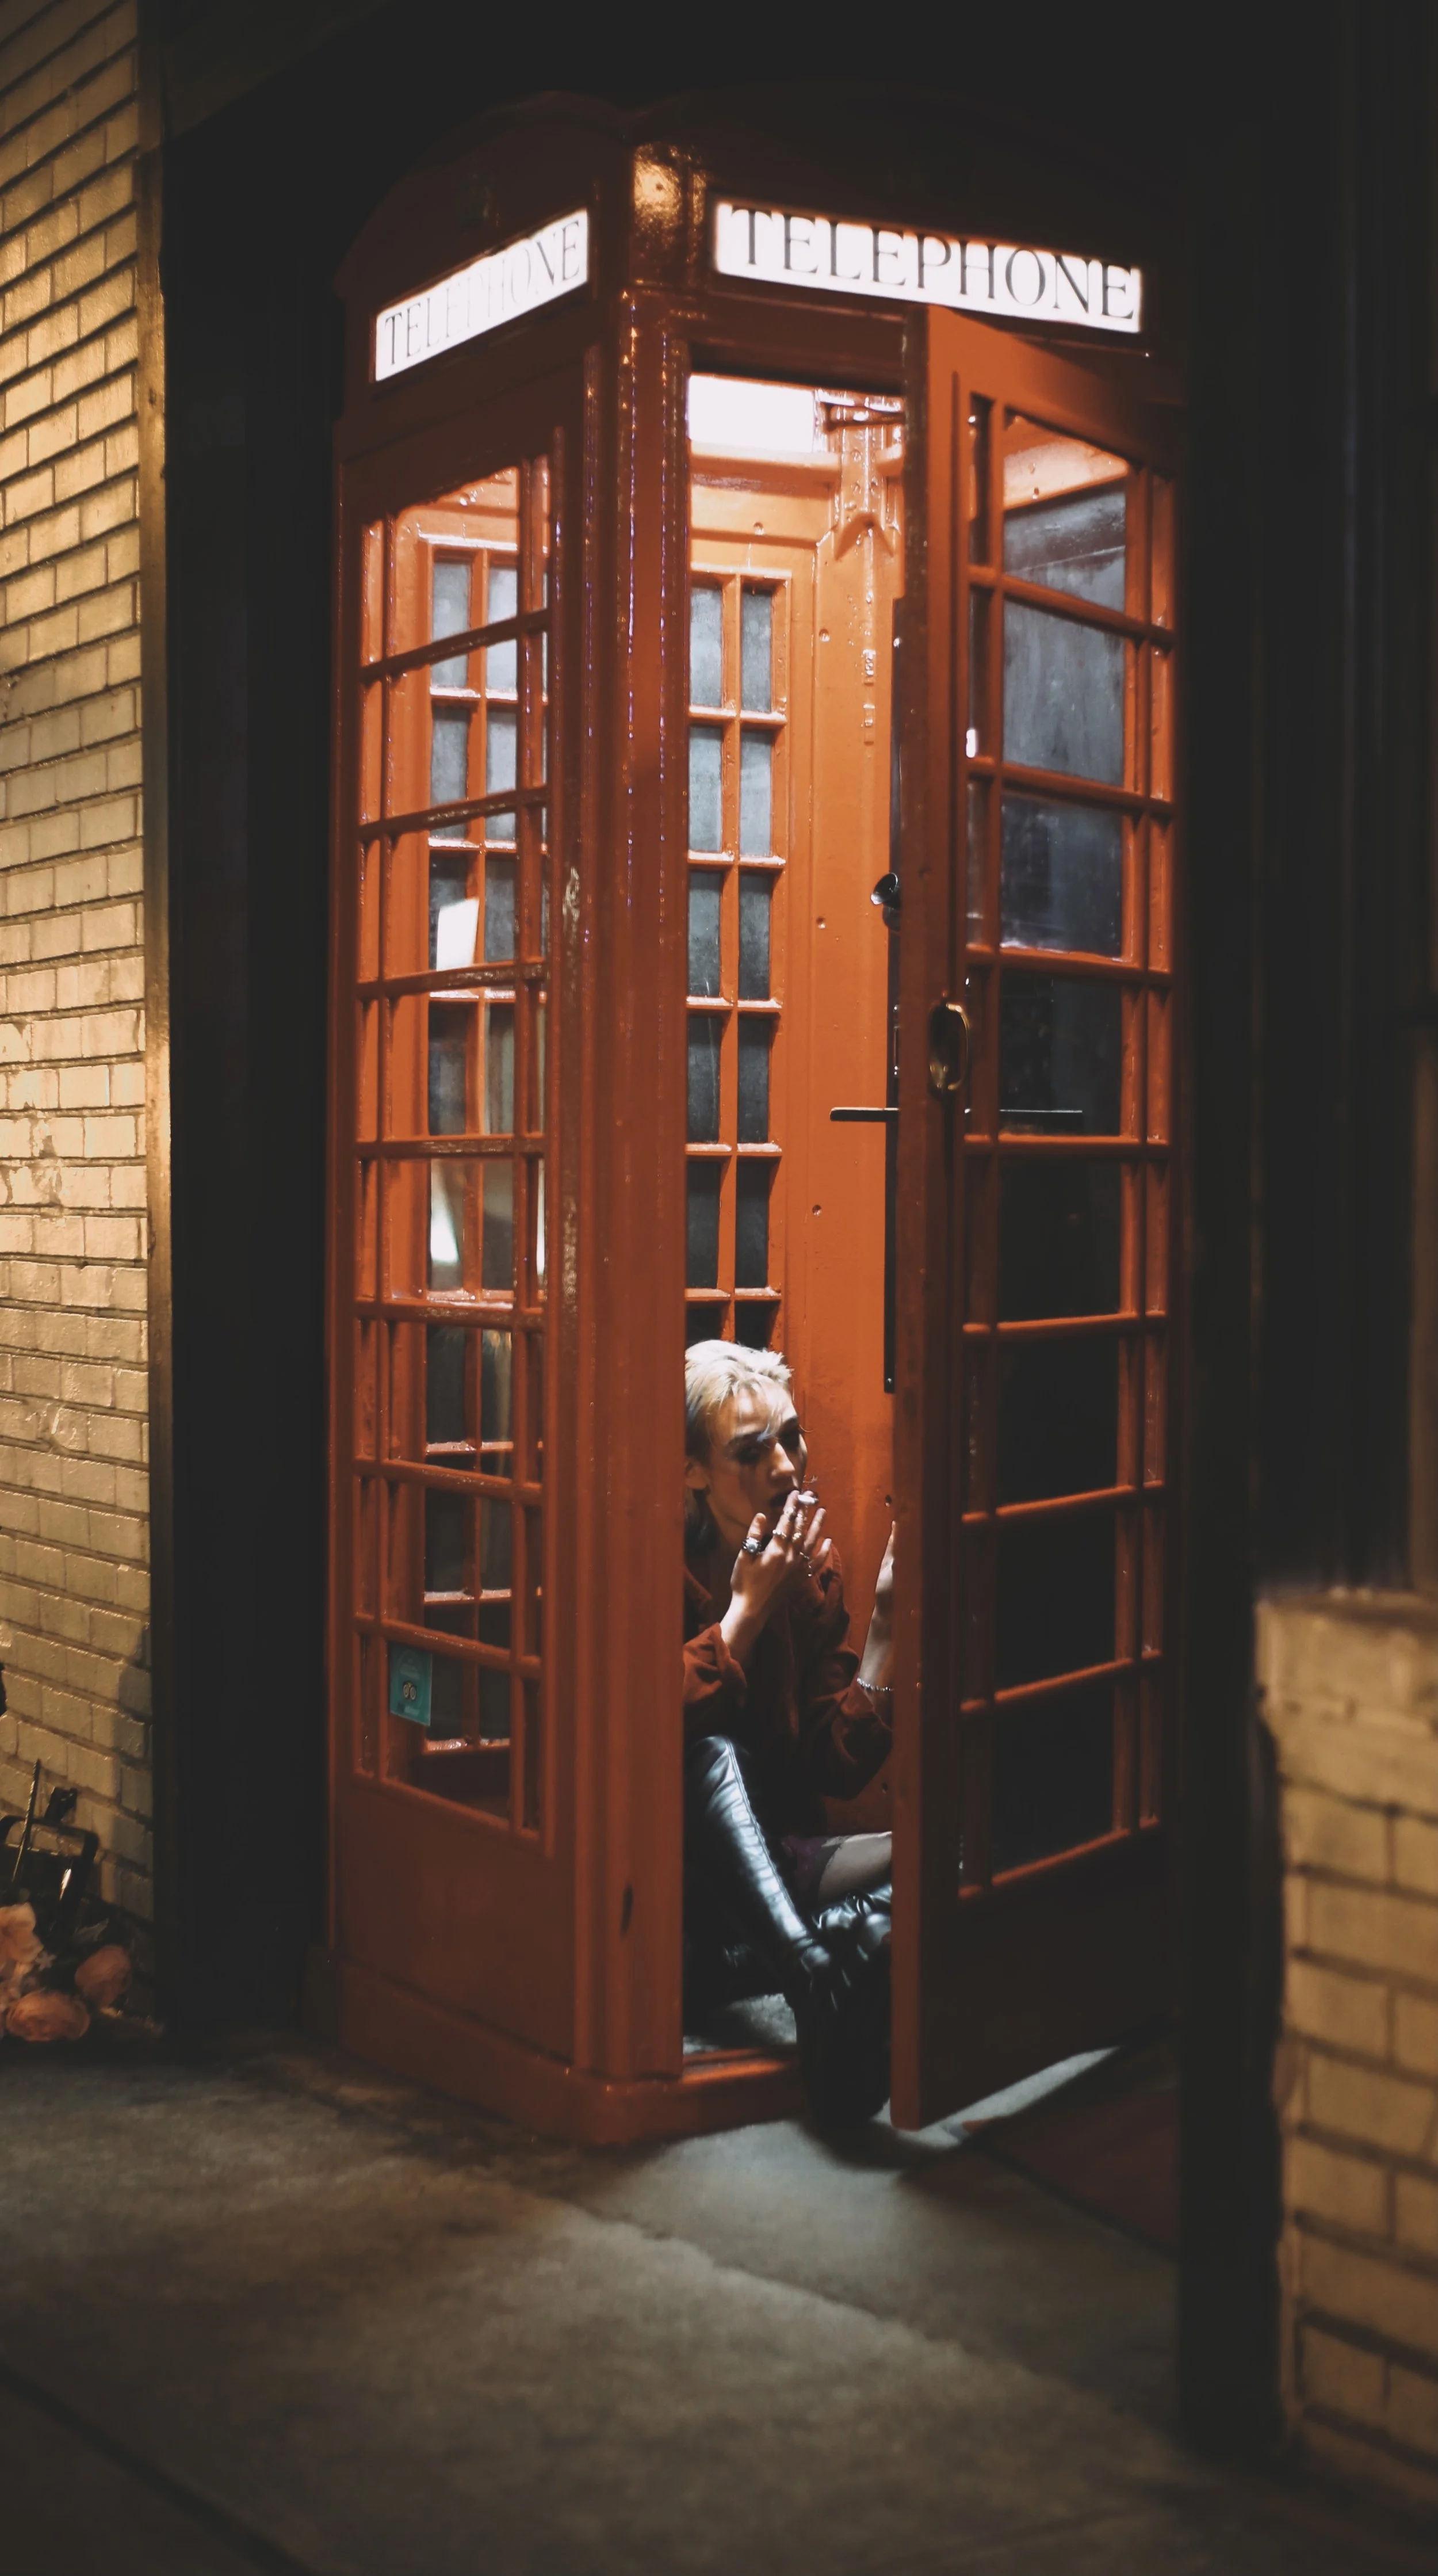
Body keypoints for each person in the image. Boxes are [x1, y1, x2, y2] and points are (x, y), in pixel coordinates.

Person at [682, 1339, 896, 2127]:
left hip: (782, 1859)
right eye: (750, 1451)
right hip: (675, 1874)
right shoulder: (651, 1559)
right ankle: (815, 1977)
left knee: (945, 1869)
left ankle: (793, 1966)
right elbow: (641, 1742)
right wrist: (743, 1616)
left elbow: (829, 1765)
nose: (785, 1468)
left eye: (791, 1437)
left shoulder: (807, 1564)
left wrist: (888, 1625)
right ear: (691, 1471)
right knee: (711, 1752)